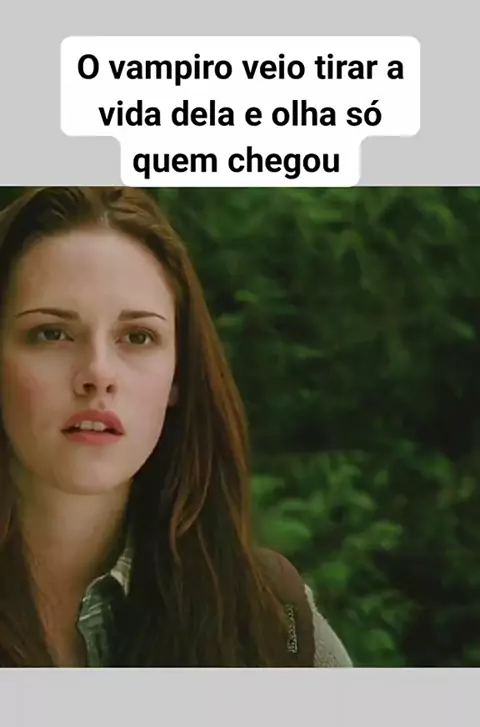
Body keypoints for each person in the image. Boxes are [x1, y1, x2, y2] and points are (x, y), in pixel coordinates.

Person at [0, 186, 351, 668]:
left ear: (178, 376)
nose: (98, 372)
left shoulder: (272, 623)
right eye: (52, 333)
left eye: (137, 336)